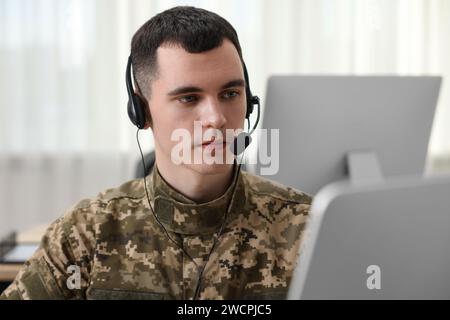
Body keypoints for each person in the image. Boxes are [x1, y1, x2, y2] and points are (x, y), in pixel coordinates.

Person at [0, 6, 312, 300]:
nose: (216, 118)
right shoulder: (87, 232)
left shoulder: (306, 228)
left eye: (230, 93)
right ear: (142, 112)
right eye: (189, 98)